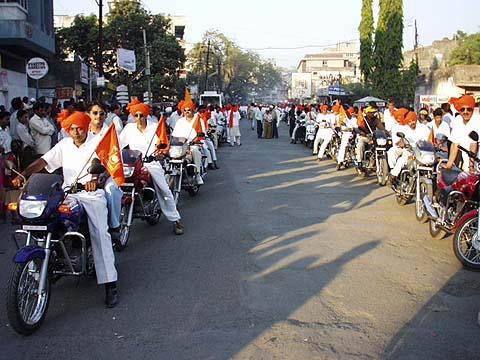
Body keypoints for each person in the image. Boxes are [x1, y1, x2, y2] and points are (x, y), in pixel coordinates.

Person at [13, 112, 119, 307]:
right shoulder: (64, 145)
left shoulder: (98, 142)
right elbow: (44, 162)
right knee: (45, 218)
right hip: (68, 193)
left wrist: (95, 180)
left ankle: (110, 283)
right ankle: (50, 260)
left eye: (79, 128)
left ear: (86, 127)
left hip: (91, 194)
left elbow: (103, 165)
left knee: (100, 233)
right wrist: (24, 173)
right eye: (72, 129)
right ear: (67, 130)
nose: (76, 132)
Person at [119, 101, 184, 235]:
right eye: (136, 115)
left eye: (141, 115)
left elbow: (163, 144)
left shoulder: (155, 127)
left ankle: (175, 220)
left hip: (151, 163)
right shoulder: (128, 129)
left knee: (164, 190)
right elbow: (119, 146)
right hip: (134, 164)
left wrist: (161, 153)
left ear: (146, 115)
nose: (139, 118)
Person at [87, 102, 124, 242]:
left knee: (110, 189)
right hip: (84, 175)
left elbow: (115, 159)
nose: (98, 116)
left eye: (101, 113)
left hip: (107, 172)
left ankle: (114, 225)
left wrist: (104, 175)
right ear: (88, 115)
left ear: (106, 115)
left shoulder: (112, 134)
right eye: (95, 113)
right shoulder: (83, 132)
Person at [388, 109, 430, 180]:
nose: (411, 123)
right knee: (402, 159)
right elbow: (402, 141)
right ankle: (393, 175)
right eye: (409, 122)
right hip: (410, 150)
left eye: (413, 120)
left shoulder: (424, 128)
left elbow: (429, 140)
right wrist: (402, 143)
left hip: (423, 151)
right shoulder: (406, 129)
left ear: (416, 120)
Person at [171, 100, 205, 185]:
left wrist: (195, 141)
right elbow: (175, 135)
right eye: (185, 110)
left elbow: (202, 134)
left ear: (193, 110)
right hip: (182, 145)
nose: (187, 112)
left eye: (189, 110)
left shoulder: (198, 120)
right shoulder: (180, 121)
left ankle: (197, 174)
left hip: (194, 144)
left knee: (195, 151)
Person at [445, 95, 480, 172]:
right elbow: (455, 144)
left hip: (476, 164)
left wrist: (471, 167)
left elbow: (473, 144)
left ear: (473, 110)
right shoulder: (458, 120)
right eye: (462, 109)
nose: (465, 112)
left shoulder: (477, 120)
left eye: (469, 109)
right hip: (467, 165)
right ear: (459, 111)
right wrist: (449, 165)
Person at [355, 106, 385, 174]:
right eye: (371, 112)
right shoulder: (363, 119)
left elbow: (381, 127)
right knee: (360, 144)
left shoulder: (376, 119)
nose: (373, 114)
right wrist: (361, 132)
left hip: (373, 137)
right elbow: (358, 128)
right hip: (364, 137)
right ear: (367, 113)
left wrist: (386, 133)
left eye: (374, 112)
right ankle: (359, 162)